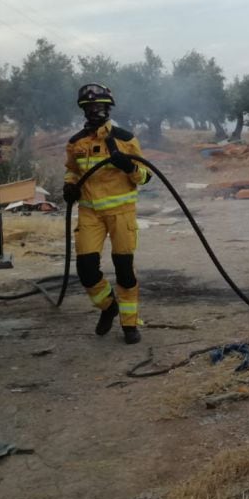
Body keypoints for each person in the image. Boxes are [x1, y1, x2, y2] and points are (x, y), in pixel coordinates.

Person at [62, 83, 152, 344]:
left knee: (124, 271)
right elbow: (72, 170)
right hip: (90, 215)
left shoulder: (125, 140)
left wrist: (128, 167)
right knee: (86, 270)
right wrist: (69, 185)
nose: (95, 111)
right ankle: (108, 307)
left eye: (100, 106)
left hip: (121, 214)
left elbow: (145, 177)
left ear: (109, 108)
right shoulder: (76, 143)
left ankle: (129, 324)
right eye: (90, 107)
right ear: (84, 110)